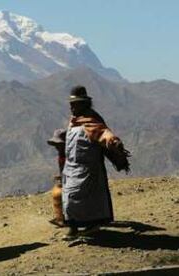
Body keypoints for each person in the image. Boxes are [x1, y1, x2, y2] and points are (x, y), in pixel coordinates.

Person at [62, 86, 130, 240]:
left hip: (87, 170)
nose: (72, 107)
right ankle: (72, 228)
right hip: (71, 169)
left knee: (86, 200)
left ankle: (90, 227)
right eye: (71, 105)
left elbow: (104, 134)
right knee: (68, 200)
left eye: (75, 104)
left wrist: (113, 141)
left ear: (84, 104)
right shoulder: (74, 122)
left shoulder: (92, 122)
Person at [47, 129, 67, 227]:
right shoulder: (61, 155)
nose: (56, 147)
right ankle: (60, 217)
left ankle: (62, 219)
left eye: (58, 144)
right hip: (65, 180)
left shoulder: (68, 155)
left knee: (58, 195)